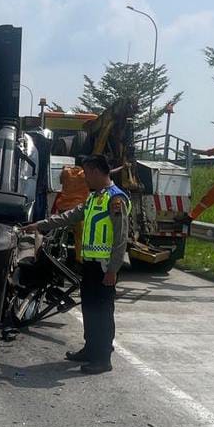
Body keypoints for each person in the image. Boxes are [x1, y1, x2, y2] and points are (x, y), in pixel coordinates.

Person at [22, 154, 129, 374]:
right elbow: (69, 216)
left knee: (102, 312)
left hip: (104, 267)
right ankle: (90, 349)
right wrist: (40, 225)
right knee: (90, 309)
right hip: (89, 264)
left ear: (98, 172)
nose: (84, 179)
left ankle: (102, 359)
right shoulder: (94, 198)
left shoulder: (116, 199)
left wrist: (113, 270)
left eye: (87, 174)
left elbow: (121, 238)